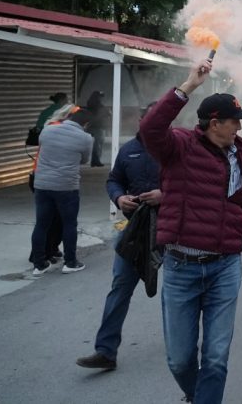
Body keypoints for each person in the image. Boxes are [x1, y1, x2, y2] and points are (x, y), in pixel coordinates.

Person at [140, 58, 242, 404]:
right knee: (180, 359)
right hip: (182, 267)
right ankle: (197, 395)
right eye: (234, 123)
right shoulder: (179, 146)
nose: (238, 130)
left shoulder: (239, 157)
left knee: (215, 358)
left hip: (224, 267)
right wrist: (188, 86)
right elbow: (150, 129)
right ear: (215, 123)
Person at [75, 103, 161, 370]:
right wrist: (118, 197)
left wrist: (165, 195)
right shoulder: (128, 150)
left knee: (178, 293)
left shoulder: (177, 150)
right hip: (135, 232)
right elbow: (113, 180)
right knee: (120, 288)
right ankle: (105, 351)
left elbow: (194, 186)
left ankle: (186, 347)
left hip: (173, 232)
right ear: (140, 120)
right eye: (148, 120)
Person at [29, 105, 94, 275]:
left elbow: (42, 148)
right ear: (85, 124)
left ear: (69, 118)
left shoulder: (48, 130)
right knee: (69, 224)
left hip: (42, 184)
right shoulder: (86, 138)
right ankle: (70, 263)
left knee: (41, 224)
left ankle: (39, 264)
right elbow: (84, 160)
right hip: (66, 186)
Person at [84, 90, 108, 167]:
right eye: (101, 96)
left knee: (95, 145)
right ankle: (96, 161)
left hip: (91, 126)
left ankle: (94, 161)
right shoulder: (99, 105)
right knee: (98, 144)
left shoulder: (89, 104)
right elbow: (106, 113)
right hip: (98, 127)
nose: (101, 98)